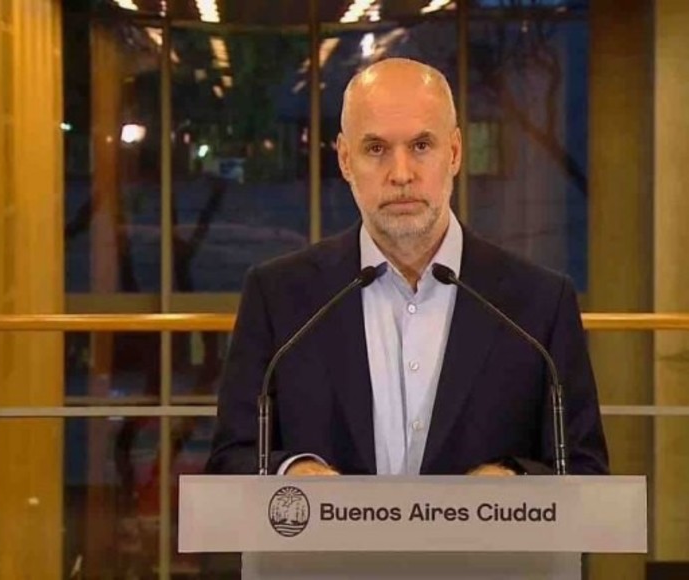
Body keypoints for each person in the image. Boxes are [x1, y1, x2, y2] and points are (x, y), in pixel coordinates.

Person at [205, 58, 608, 478]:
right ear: (345, 159)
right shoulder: (278, 296)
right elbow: (230, 462)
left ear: (454, 153)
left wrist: (516, 481)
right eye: (376, 149)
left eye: (421, 146)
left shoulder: (540, 304)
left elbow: (586, 472)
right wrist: (290, 472)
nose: (401, 174)